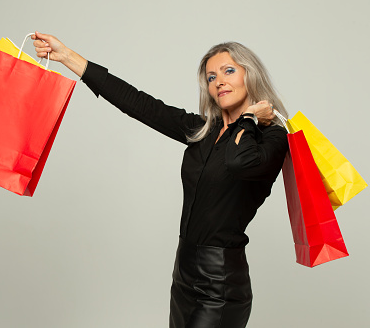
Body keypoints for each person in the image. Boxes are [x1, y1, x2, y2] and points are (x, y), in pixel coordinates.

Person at [32, 31, 289, 328]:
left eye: (229, 71)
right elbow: (138, 103)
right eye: (210, 77)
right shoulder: (202, 131)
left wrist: (249, 118)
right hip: (183, 274)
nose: (218, 81)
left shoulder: (272, 137)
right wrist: (66, 56)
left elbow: (238, 161)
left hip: (221, 282)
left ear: (250, 74)